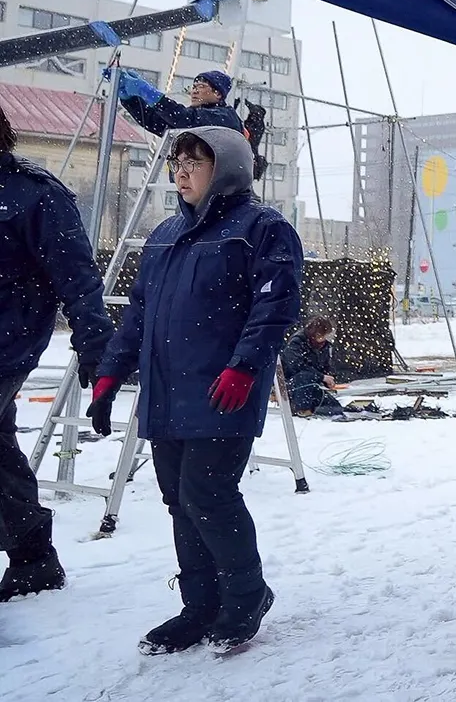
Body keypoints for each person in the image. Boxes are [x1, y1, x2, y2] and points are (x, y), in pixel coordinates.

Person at [89, 126, 303, 654]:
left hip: (223, 389)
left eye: (194, 163)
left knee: (208, 494)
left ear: (225, 168)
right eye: (177, 163)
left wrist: (245, 367)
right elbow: (139, 313)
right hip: (167, 391)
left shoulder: (261, 229)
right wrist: (110, 373)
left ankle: (246, 597)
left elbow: (276, 305)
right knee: (179, 501)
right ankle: (200, 604)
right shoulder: (165, 234)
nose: (181, 173)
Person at [0, 104, 115, 602]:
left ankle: (34, 558)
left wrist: (96, 346)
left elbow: (77, 276)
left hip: (7, 342)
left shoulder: (35, 194)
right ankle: (34, 560)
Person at [106, 67, 245, 136]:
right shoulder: (194, 117)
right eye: (194, 87)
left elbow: (182, 118)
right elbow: (154, 122)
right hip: (189, 182)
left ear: (218, 94)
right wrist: (131, 99)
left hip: (214, 184)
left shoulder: (225, 116)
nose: (194, 91)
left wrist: (147, 92)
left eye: (201, 87)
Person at [283, 316, 343, 417]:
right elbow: (296, 366)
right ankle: (302, 409)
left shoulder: (324, 346)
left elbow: (325, 366)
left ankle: (315, 408)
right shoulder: (297, 342)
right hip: (296, 384)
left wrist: (328, 378)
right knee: (303, 377)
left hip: (313, 384)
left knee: (335, 408)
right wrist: (321, 377)